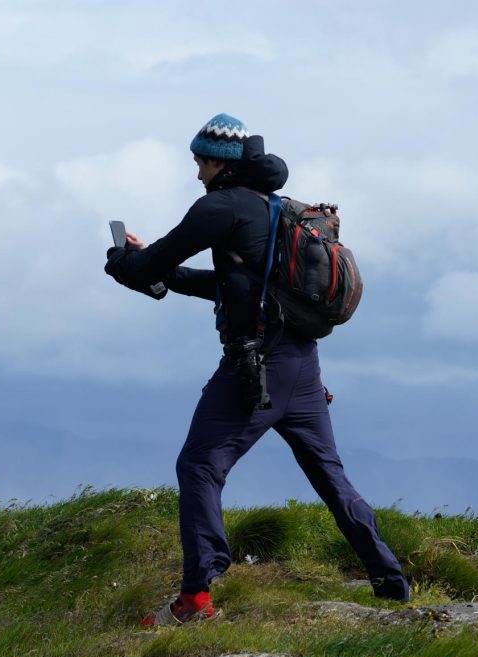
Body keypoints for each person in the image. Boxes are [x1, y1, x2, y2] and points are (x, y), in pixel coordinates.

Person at [104, 113, 410, 626]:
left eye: (199, 161)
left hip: (256, 367)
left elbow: (149, 266)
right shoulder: (274, 209)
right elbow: (234, 283)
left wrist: (123, 260)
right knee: (329, 475)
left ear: (217, 163)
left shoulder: (217, 206)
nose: (196, 172)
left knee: (199, 466)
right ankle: (391, 581)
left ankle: (196, 599)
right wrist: (162, 271)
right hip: (303, 368)